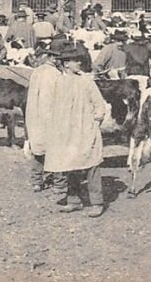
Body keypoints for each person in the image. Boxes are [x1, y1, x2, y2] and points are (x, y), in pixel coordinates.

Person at [45, 46, 107, 217]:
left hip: (86, 128)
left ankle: (96, 202)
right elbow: (51, 106)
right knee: (70, 162)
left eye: (79, 60)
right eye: (75, 60)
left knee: (92, 163)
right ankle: (74, 200)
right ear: (66, 64)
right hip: (65, 130)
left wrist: (94, 123)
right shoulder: (58, 82)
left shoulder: (86, 81)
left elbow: (99, 105)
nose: (79, 62)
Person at [25, 42, 67, 195]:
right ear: (50, 57)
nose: (57, 60)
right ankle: (59, 183)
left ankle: (37, 181)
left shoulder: (36, 72)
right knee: (56, 150)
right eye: (55, 57)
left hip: (35, 115)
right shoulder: (56, 75)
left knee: (38, 150)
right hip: (51, 116)